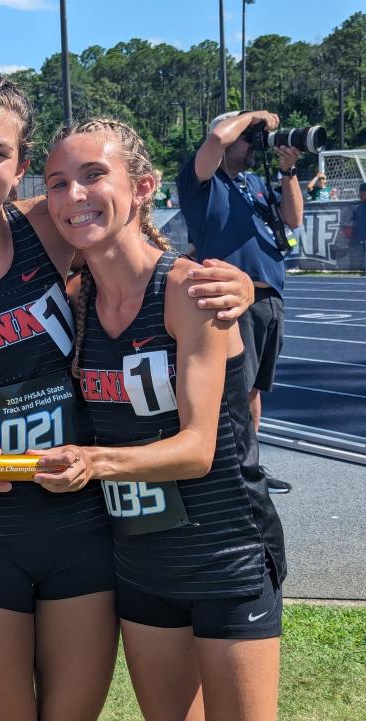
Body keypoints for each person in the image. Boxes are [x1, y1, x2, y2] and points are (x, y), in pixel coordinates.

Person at [0, 74, 255, 721]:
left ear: (21, 166)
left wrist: (230, 282)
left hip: (83, 527)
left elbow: (139, 261)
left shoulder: (49, 226)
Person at [37, 117, 285, 721]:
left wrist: (94, 463)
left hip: (227, 554)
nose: (75, 196)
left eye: (95, 176)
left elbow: (197, 449)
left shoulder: (191, 291)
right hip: (141, 563)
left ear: (144, 187)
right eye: (57, 183)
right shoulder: (75, 304)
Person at [177, 110, 304, 494]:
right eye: (248, 137)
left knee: (252, 393)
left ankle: (251, 468)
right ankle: (230, 474)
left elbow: (293, 219)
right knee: (230, 389)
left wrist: (288, 172)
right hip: (231, 300)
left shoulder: (254, 182)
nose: (254, 144)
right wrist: (253, 116)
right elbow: (215, 141)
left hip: (269, 298)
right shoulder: (202, 180)